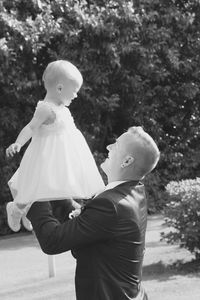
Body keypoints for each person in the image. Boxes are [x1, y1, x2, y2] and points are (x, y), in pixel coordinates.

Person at [27, 126, 160, 300]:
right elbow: (87, 224)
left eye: (116, 145)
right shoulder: (132, 193)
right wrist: (50, 186)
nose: (108, 147)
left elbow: (52, 240)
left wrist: (32, 195)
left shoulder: (112, 205)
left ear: (127, 161)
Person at [6, 60, 105, 232]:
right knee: (31, 188)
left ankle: (27, 211)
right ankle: (16, 209)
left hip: (62, 158)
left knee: (51, 189)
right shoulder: (46, 109)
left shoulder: (62, 108)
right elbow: (31, 127)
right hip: (45, 156)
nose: (75, 96)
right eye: (74, 91)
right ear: (59, 89)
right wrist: (18, 143)